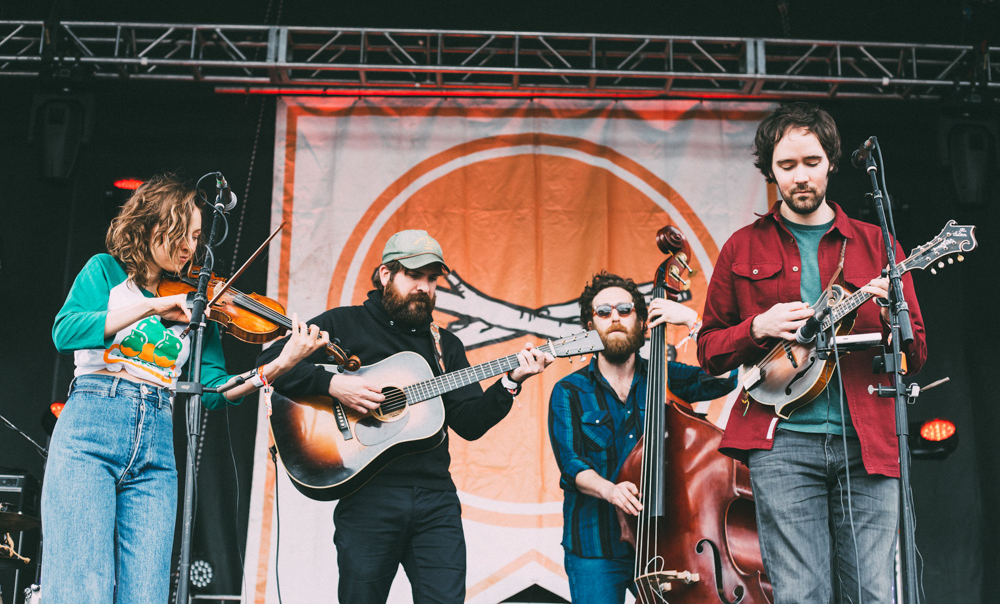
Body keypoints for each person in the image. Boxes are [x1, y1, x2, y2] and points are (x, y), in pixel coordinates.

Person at [43, 173, 329, 603]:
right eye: (181, 234)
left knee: (147, 594)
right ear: (148, 227)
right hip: (90, 430)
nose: (189, 248)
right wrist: (156, 305)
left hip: (157, 445)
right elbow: (65, 332)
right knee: (83, 587)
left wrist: (279, 364)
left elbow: (214, 390)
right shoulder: (105, 273)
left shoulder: (200, 306)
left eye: (196, 237)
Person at [696, 103, 928, 604]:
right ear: (769, 170)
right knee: (801, 594)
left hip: (868, 441)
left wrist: (894, 315)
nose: (800, 176)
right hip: (782, 443)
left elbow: (919, 351)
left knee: (872, 592)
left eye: (811, 162)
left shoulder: (879, 246)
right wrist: (756, 326)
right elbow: (708, 351)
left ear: (830, 163)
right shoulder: (741, 247)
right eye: (787, 165)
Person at [257, 229, 554, 604]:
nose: (424, 288)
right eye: (414, 276)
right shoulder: (345, 324)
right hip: (367, 496)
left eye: (432, 280)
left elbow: (469, 422)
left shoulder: (445, 345)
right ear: (385, 274)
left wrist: (511, 382)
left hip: (435, 499)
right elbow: (269, 363)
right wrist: (333, 386)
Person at [547, 271, 737, 604]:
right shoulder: (569, 391)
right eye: (603, 313)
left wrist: (694, 322)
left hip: (665, 543)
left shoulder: (666, 376)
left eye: (624, 310)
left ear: (643, 323)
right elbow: (570, 463)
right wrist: (611, 490)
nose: (615, 318)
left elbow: (725, 377)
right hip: (594, 545)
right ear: (590, 328)